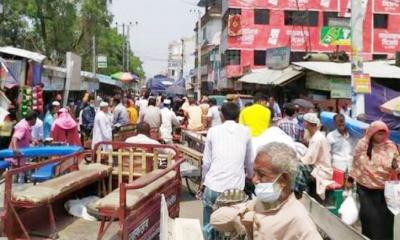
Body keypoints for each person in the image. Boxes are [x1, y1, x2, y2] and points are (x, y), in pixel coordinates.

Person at [211, 142, 322, 240]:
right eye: (255, 173)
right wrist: (243, 218)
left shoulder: (298, 219)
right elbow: (216, 220)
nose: (254, 180)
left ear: (283, 179)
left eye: (261, 175)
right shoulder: (261, 203)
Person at [200, 102, 253, 239]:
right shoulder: (246, 131)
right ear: (238, 116)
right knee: (234, 227)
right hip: (235, 192)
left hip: (213, 186)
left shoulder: (213, 131)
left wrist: (203, 181)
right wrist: (251, 176)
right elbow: (249, 162)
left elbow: (206, 163)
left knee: (209, 225)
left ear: (221, 116)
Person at [349, 121, 399, 239]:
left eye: (383, 134)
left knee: (385, 222)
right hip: (365, 189)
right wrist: (350, 181)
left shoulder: (390, 145)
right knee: (369, 220)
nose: (381, 137)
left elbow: (397, 163)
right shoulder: (363, 144)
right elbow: (356, 163)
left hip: (385, 189)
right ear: (372, 133)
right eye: (378, 134)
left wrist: (395, 166)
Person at [295, 113, 333, 200]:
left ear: (309, 124)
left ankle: (299, 193)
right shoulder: (315, 136)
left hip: (322, 170)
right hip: (317, 166)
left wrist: (298, 158)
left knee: (299, 168)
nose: (303, 124)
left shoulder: (317, 139)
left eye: (305, 122)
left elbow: (309, 159)